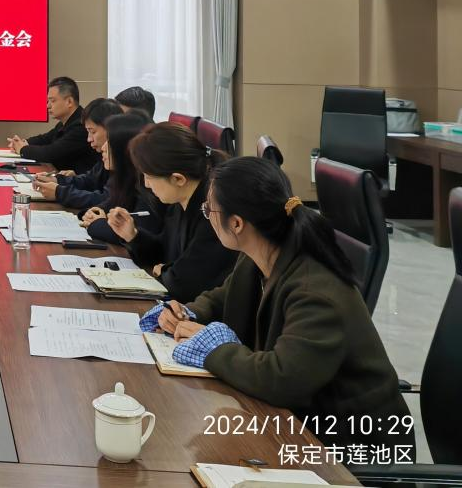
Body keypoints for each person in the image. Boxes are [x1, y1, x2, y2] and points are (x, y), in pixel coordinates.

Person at [142, 157, 414, 457]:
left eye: (209, 210)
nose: (207, 217)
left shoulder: (314, 292)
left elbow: (281, 379)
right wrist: (187, 313)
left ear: (236, 223)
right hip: (296, 421)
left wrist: (210, 348)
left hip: (348, 444)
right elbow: (223, 297)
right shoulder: (261, 256)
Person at [106, 122, 238, 302]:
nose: (146, 184)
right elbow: (164, 250)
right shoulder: (181, 201)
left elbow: (184, 284)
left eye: (149, 176)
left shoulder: (212, 212)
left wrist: (165, 270)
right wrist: (133, 235)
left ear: (178, 179)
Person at [79, 111, 156, 244]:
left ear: (124, 148)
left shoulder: (148, 186)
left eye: (109, 142)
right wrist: (91, 214)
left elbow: (132, 233)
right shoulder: (124, 178)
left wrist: (97, 224)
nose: (103, 148)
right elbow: (108, 205)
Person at [32, 97, 121, 206]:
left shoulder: (123, 158)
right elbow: (89, 180)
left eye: (93, 132)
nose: (89, 139)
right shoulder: (104, 155)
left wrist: (59, 193)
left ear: (111, 129)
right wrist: (56, 180)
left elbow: (106, 200)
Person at [6, 77, 99, 173]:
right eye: (48, 101)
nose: (48, 106)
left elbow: (51, 153)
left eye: (53, 101)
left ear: (69, 102)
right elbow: (45, 139)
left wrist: (22, 149)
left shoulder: (81, 125)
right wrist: (23, 142)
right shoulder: (67, 122)